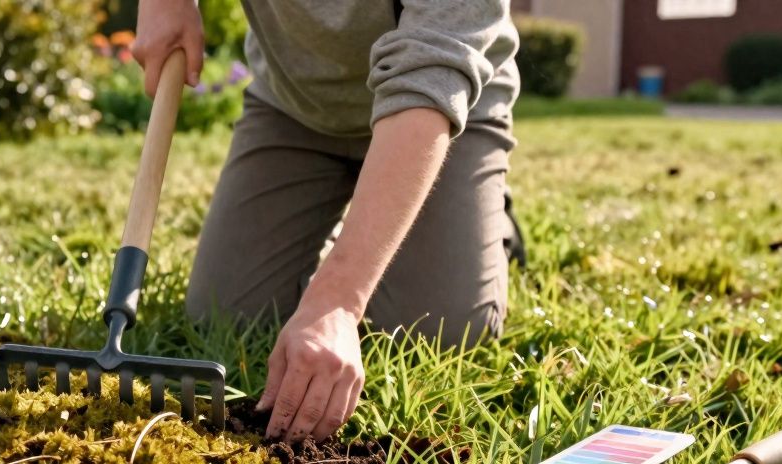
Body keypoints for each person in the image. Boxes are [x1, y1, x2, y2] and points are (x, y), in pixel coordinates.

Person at [132, 0, 522, 441]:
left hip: (443, 106)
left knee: (440, 332)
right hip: (296, 108)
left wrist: (337, 301)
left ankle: (486, 215)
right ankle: (362, 226)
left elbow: (433, 69)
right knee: (227, 314)